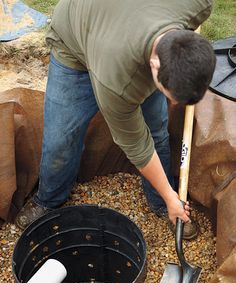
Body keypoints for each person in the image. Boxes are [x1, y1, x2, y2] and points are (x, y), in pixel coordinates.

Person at [15, 0, 216, 239]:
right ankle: (49, 199)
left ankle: (164, 204)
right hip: (74, 41)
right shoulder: (118, 83)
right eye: (169, 94)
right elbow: (137, 147)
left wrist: (169, 199)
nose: (173, 105)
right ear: (154, 65)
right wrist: (174, 197)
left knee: (156, 130)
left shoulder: (197, 4)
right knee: (61, 140)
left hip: (122, 27)